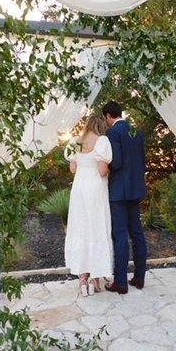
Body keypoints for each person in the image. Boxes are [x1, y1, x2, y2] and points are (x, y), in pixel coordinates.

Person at [64, 115, 114, 297]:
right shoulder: (102, 141)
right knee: (97, 229)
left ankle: (83, 280)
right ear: (100, 126)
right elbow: (102, 171)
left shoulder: (75, 141)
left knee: (81, 230)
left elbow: (73, 169)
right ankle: (95, 279)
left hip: (79, 190)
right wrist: (109, 169)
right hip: (95, 190)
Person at [102, 100, 147, 294]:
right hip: (136, 188)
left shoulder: (113, 132)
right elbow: (142, 159)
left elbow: (117, 162)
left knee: (119, 235)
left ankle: (120, 282)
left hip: (119, 191)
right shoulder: (135, 131)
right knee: (137, 233)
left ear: (108, 116)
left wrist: (107, 165)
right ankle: (139, 278)